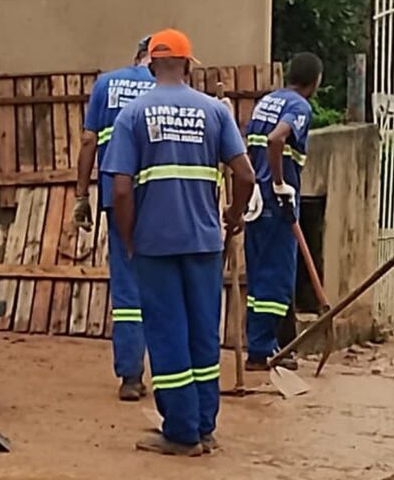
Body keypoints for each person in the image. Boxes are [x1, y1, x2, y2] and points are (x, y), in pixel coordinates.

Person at [102, 28, 255, 456]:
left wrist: (130, 239)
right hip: (205, 242)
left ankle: (182, 432)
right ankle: (205, 426)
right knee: (203, 334)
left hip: (156, 243)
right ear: (189, 65)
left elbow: (119, 190)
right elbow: (245, 175)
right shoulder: (215, 112)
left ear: (150, 65)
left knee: (168, 336)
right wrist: (234, 216)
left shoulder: (132, 115)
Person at [74, 36, 156, 401]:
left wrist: (81, 195)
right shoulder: (165, 87)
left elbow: (89, 141)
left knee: (126, 286)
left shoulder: (106, 83)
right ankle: (173, 376)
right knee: (162, 284)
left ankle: (130, 376)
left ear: (135, 55)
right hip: (158, 198)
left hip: (115, 194)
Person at [242, 52, 322, 371]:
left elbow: (251, 144)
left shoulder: (266, 101)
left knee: (259, 275)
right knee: (277, 278)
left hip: (256, 200)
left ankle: (259, 346)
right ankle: (262, 350)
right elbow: (277, 140)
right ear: (315, 81)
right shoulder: (299, 107)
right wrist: (278, 184)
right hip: (277, 201)